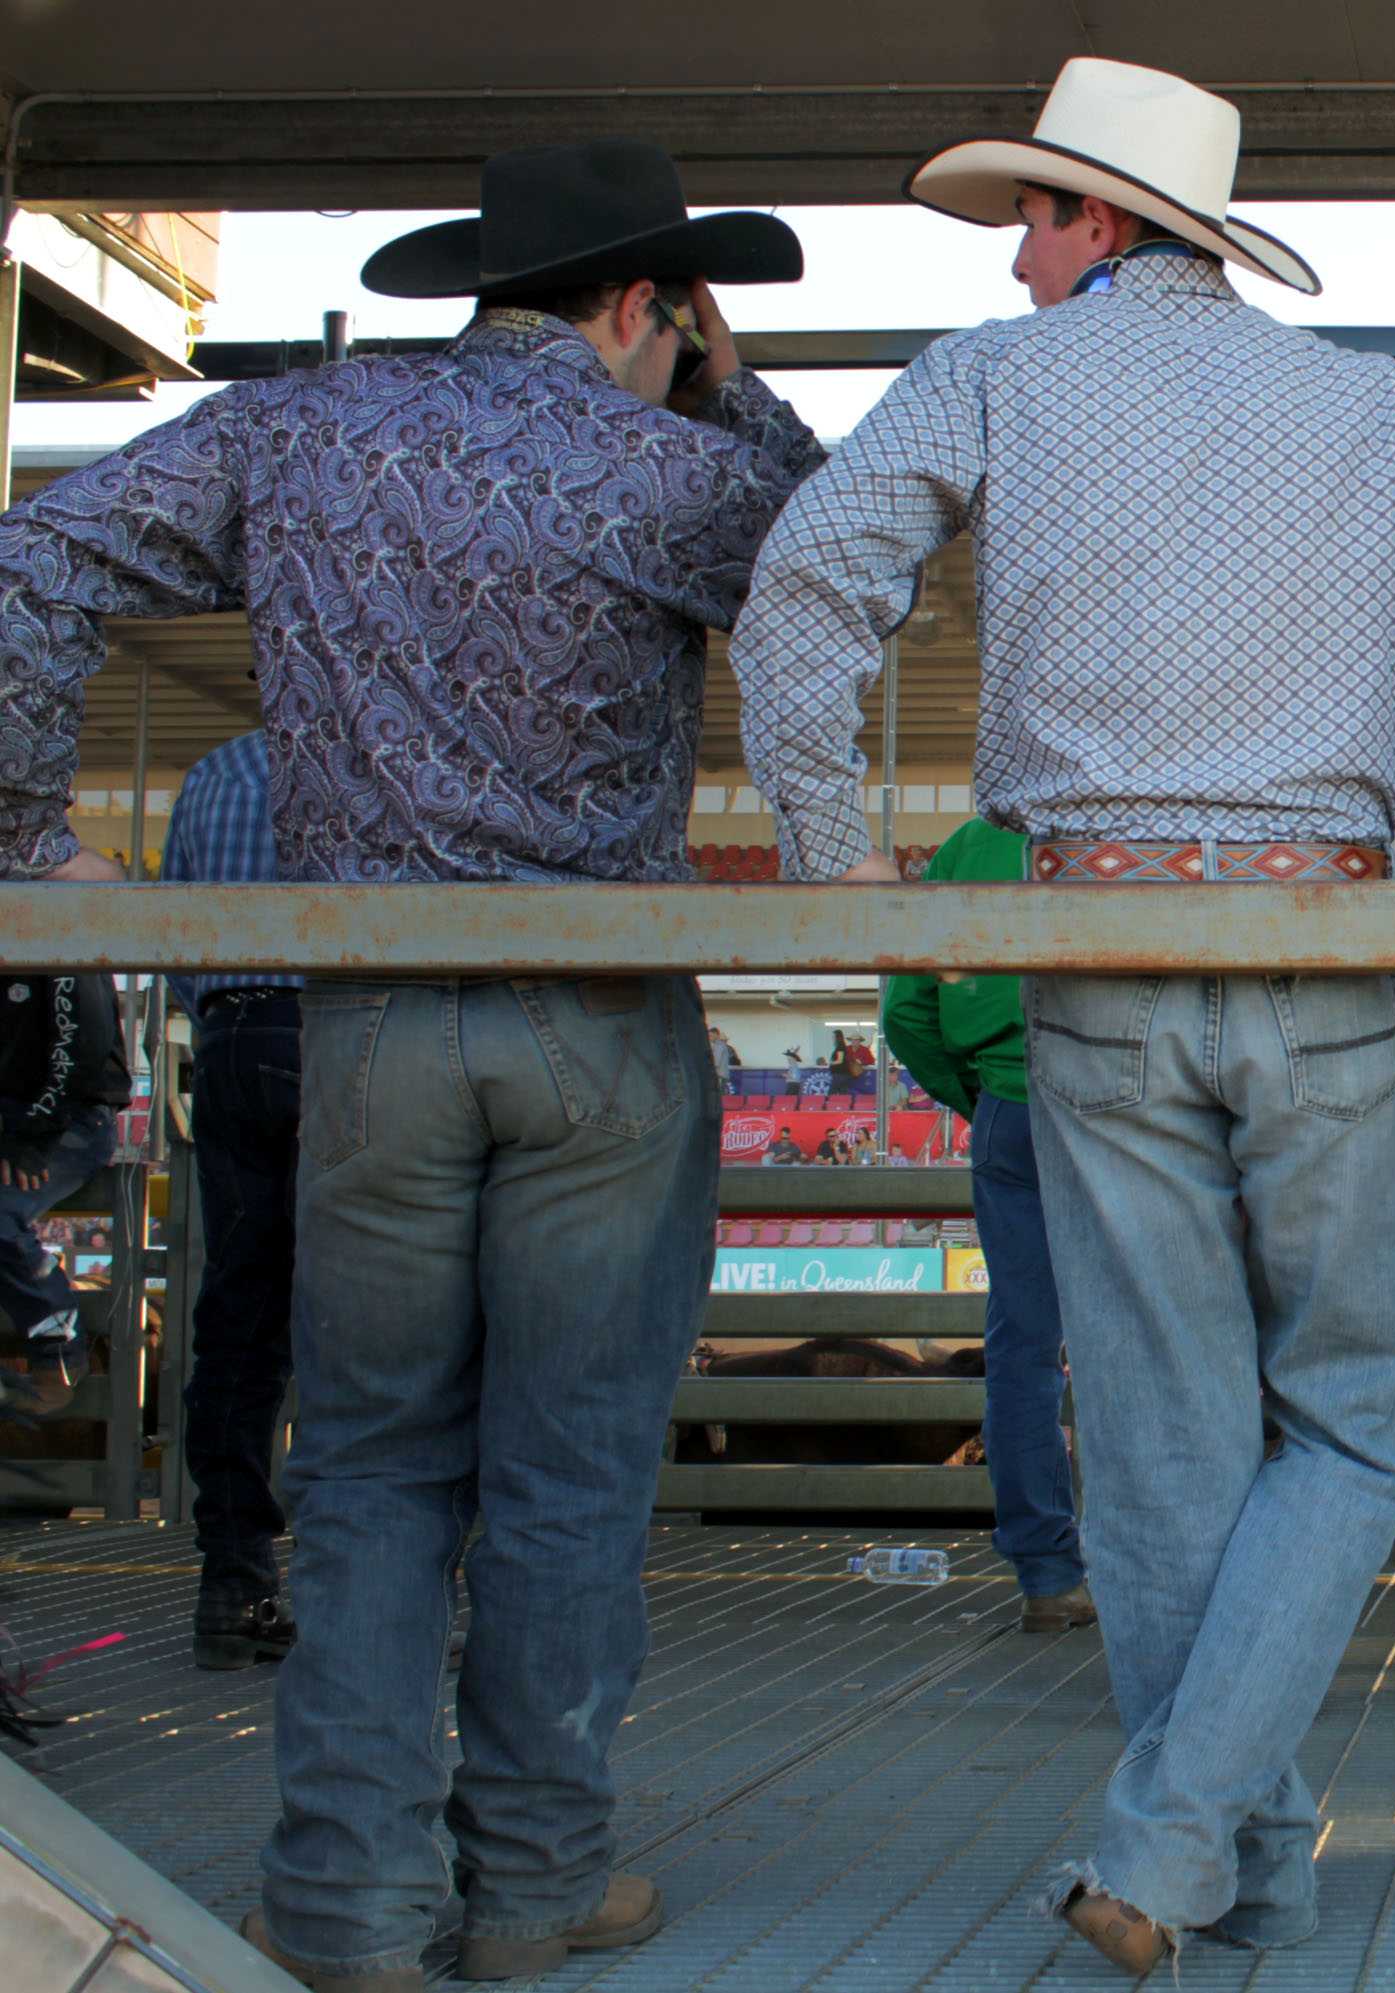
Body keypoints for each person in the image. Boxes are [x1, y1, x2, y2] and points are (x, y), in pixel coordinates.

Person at [727, 58, 1395, 1976]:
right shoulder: (1365, 400)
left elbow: (807, 577)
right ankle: (1221, 1856)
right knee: (1352, 1408)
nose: (1018, 257)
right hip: (1321, 945)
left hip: (1099, 939)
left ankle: (1183, 1845)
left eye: (1035, 216)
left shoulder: (991, 378)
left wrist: (838, 854)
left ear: (1104, 221)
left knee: (1159, 1436)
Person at [0, 139, 822, 1991]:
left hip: (365, 1011)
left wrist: (26, 827)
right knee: (571, 1464)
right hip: (598, 1014)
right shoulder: (674, 461)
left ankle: (348, 1903)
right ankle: (533, 1885)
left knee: (366, 1465)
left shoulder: (295, 435)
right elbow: (834, 561)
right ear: (644, 307)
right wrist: (736, 391)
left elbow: (32, 559)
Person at [881, 815, 1096, 1632]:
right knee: (1152, 1334)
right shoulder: (1122, 826)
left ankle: (1047, 1575)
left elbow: (907, 1012)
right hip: (1122, 1105)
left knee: (1023, 1347)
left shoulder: (968, 849)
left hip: (1009, 1106)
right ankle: (1155, 1564)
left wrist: (983, 1097)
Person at [157, 728, 309, 1666]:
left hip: (228, 1041)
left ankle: (235, 1580)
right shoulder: (365, 751)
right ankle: (367, 1582)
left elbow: (173, 935)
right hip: (338, 1027)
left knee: (241, 1317)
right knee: (375, 1311)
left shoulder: (210, 770)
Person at [0, 969, 130, 1408]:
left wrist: (34, 1136)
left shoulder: (57, 934)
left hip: (71, 1120)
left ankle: (58, 1350)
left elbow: (82, 1045)